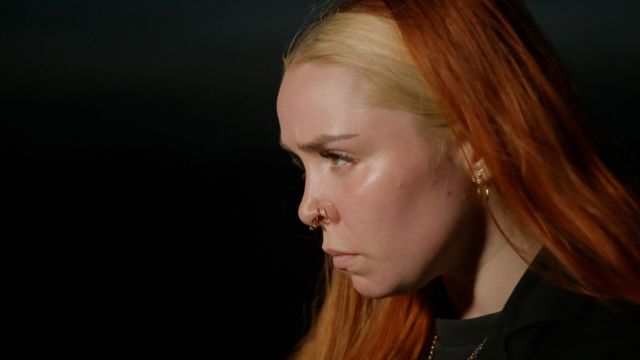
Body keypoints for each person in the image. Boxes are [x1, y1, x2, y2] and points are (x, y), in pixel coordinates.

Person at [275, 0, 640, 358]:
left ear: (479, 144)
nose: (307, 210)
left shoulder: (607, 340)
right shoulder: (369, 332)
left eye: (339, 157)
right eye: (301, 164)